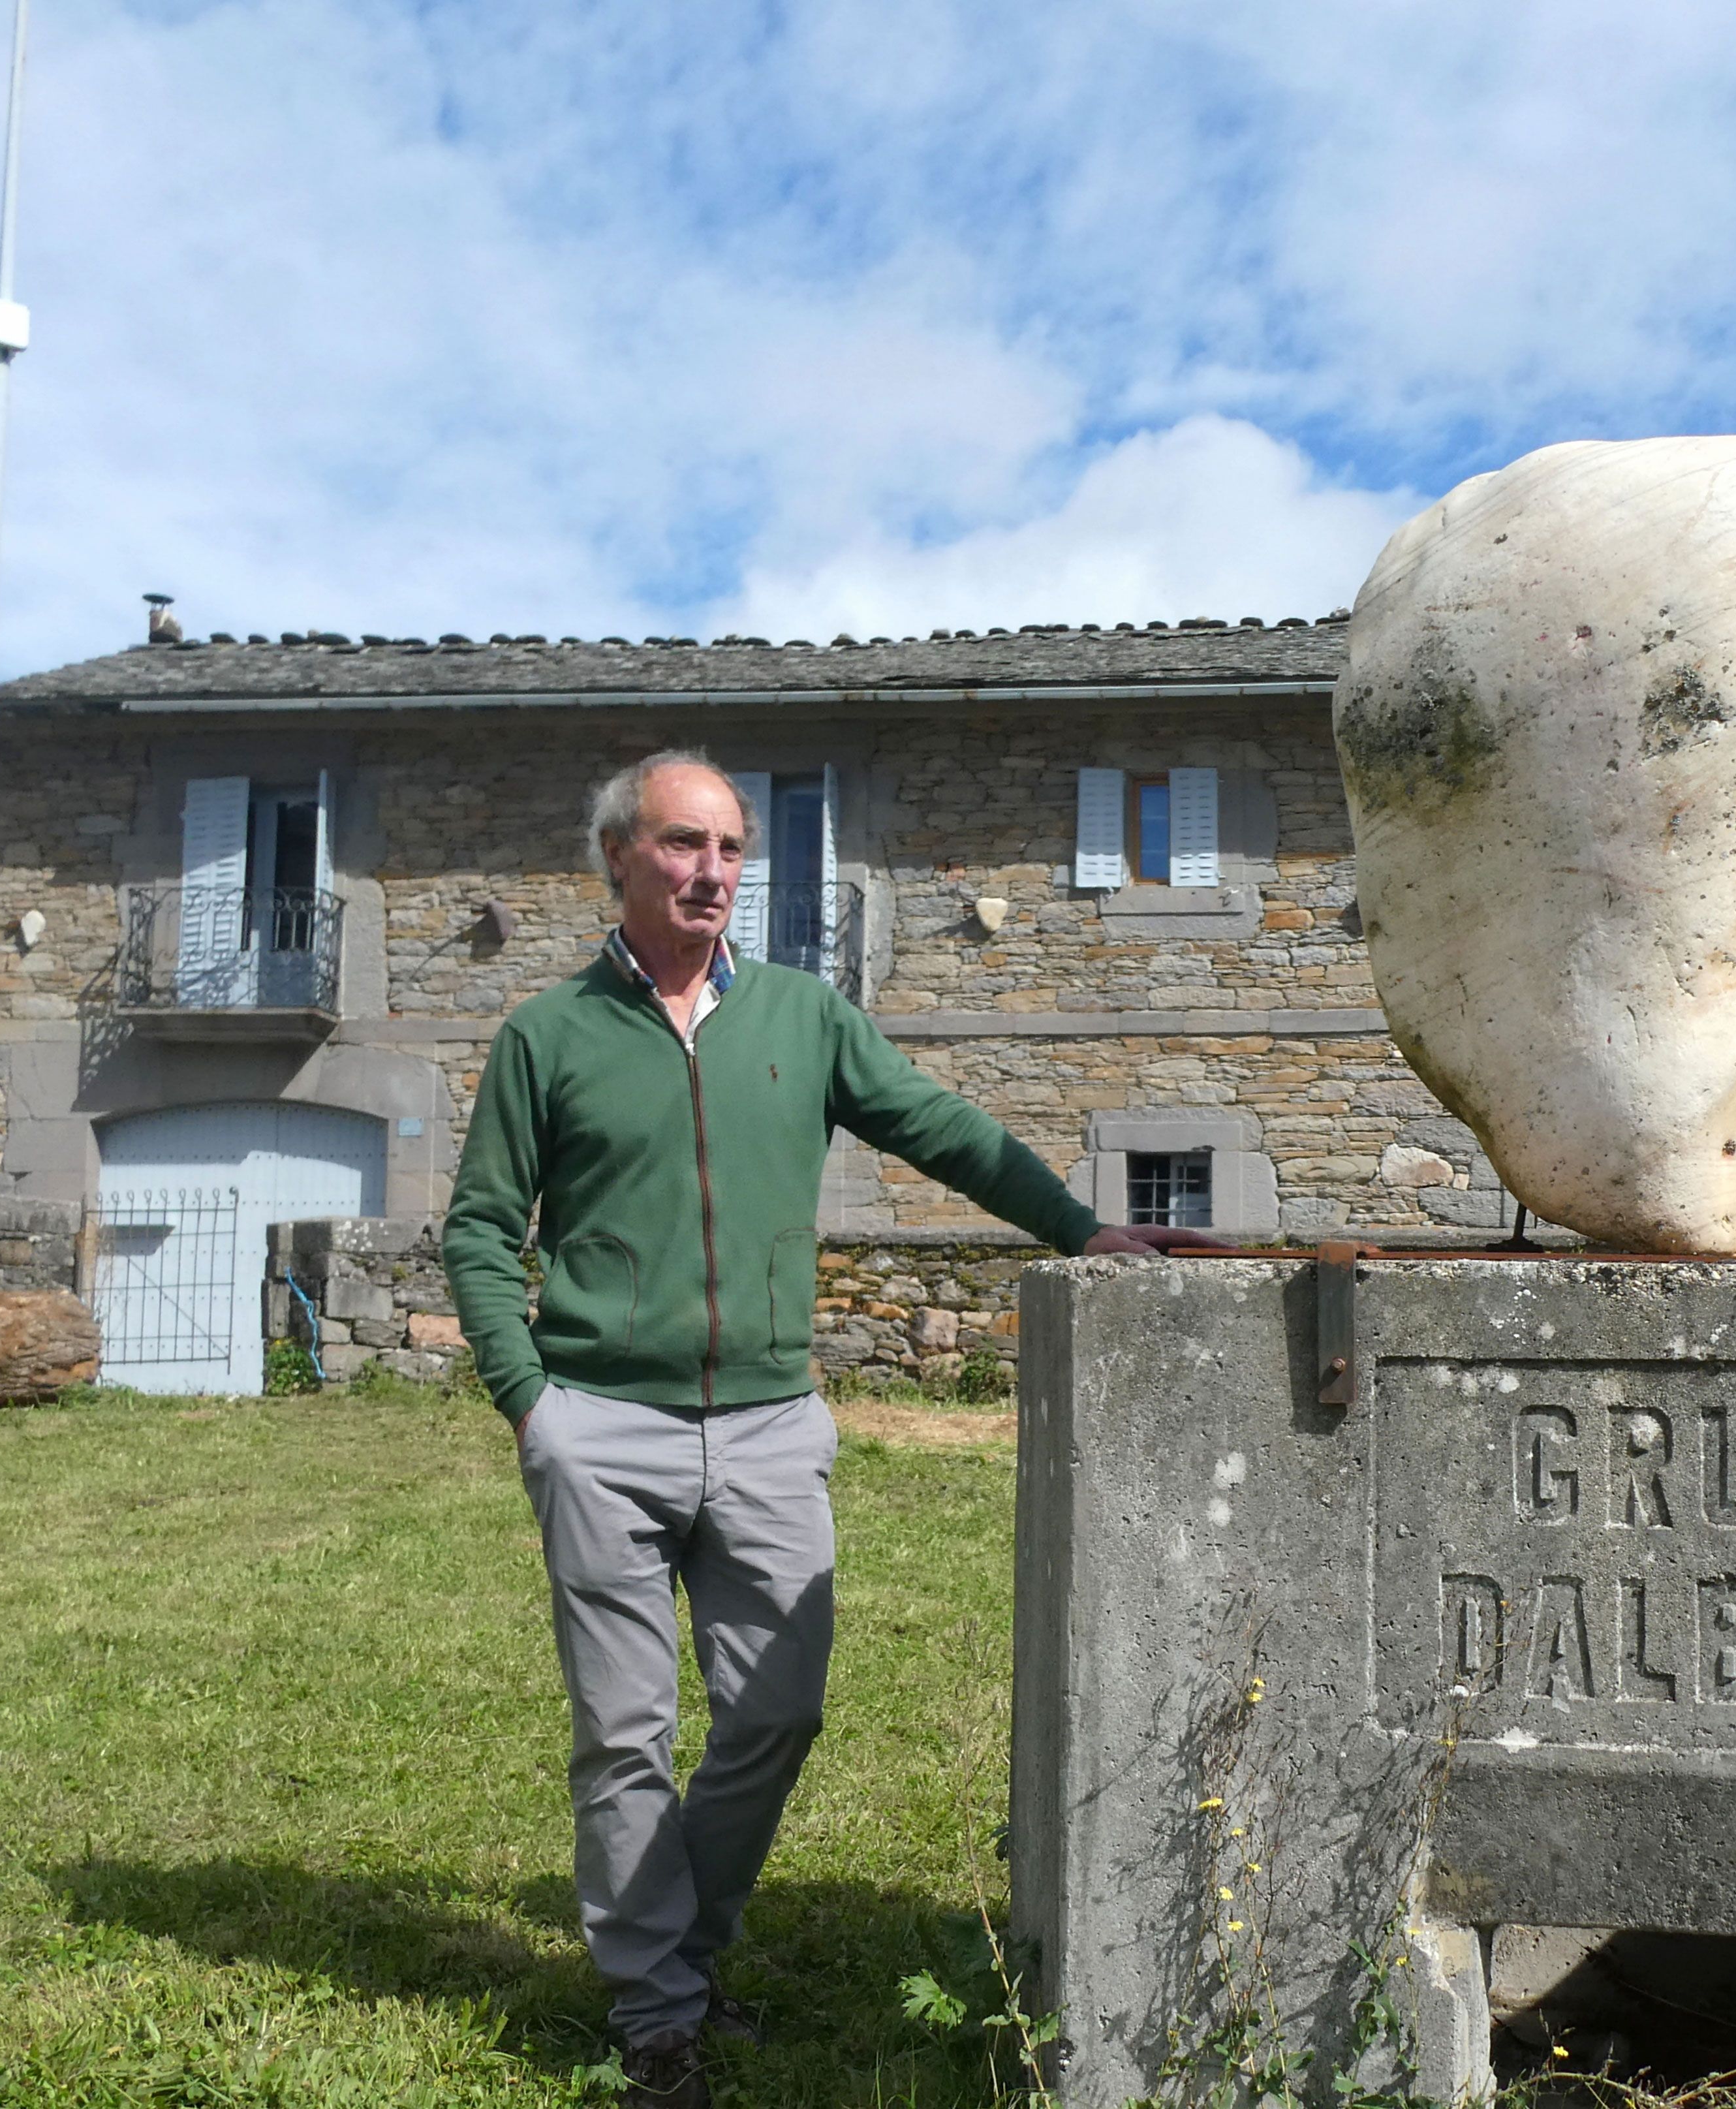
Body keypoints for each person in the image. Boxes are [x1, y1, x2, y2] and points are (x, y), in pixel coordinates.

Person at [443, 750, 1218, 2109]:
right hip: (600, 1427)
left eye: (733, 847)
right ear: (619, 857)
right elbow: (477, 1226)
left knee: (778, 1711)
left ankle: (681, 1942)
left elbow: (941, 1130)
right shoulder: (544, 1035)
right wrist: (533, 1402)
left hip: (767, 1427)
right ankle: (659, 2015)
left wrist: (1083, 1226)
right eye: (686, 844)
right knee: (625, 1734)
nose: (714, 871)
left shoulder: (804, 1015)